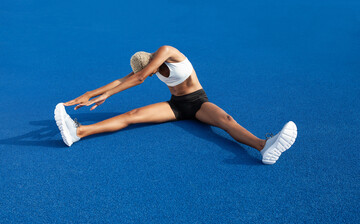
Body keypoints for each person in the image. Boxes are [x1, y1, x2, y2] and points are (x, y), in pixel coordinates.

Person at [54, 45, 297, 164]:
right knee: (133, 114)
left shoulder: (167, 51)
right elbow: (124, 79)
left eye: (150, 71)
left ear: (151, 60)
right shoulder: (146, 70)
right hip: (177, 105)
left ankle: (263, 145)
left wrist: (107, 97)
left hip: (198, 103)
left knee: (226, 121)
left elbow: (137, 78)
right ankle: (79, 132)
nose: (149, 76)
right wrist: (91, 93)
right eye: (148, 74)